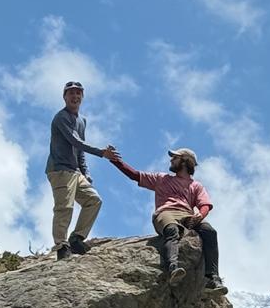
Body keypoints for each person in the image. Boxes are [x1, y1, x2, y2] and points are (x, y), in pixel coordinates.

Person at [107, 146, 227, 295]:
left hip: (186, 214)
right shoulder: (161, 179)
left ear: (184, 162)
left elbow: (205, 205)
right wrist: (115, 160)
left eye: (175, 157)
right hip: (166, 212)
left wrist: (199, 216)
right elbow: (134, 175)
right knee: (172, 230)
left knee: (210, 232)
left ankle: (213, 278)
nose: (171, 160)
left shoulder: (196, 186)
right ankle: (173, 268)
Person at [46, 81, 115, 260]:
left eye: (78, 93)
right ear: (65, 97)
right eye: (71, 93)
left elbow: (80, 150)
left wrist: (86, 173)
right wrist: (102, 153)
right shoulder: (61, 117)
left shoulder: (81, 121)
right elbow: (75, 141)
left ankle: (76, 238)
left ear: (82, 97)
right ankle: (61, 246)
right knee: (64, 207)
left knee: (93, 201)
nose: (75, 96)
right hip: (60, 170)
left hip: (75, 171)